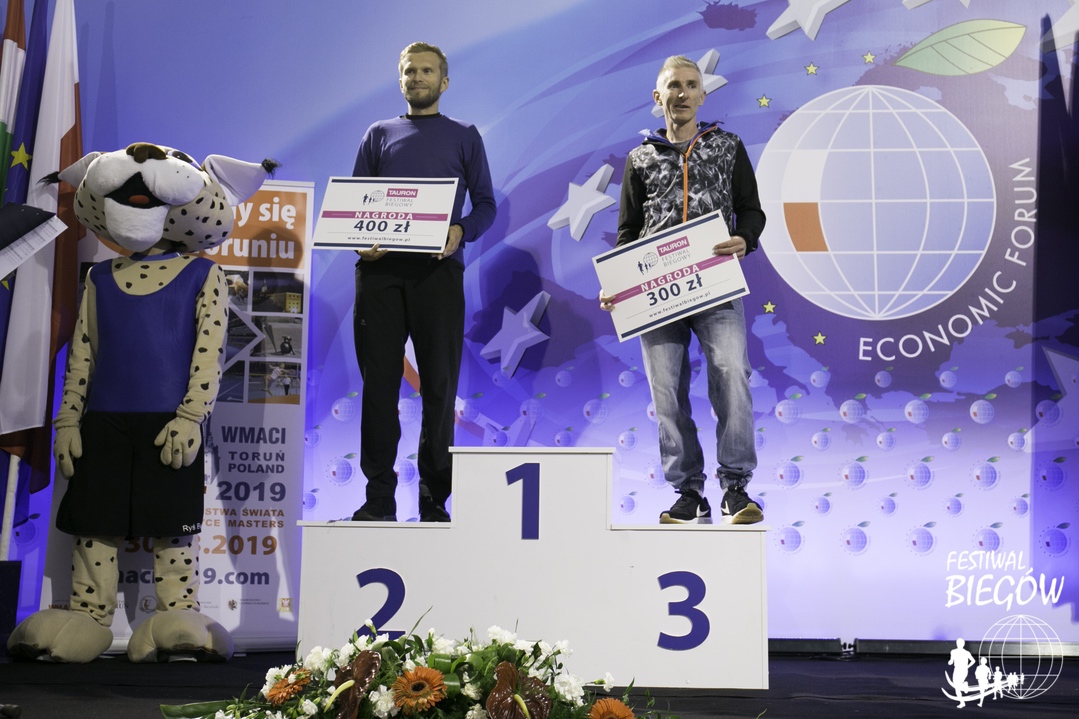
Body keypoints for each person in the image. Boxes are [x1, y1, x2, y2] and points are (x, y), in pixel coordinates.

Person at [602, 55, 765, 524]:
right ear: (659, 97)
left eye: (691, 85)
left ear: (702, 95)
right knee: (665, 391)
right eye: (674, 86)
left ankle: (736, 488)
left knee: (731, 373)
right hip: (657, 294)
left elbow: (751, 210)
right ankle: (689, 492)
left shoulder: (728, 146)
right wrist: (618, 284)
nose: (682, 93)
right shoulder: (640, 157)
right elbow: (628, 233)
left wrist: (745, 238)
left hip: (715, 284)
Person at [350, 42, 497, 522]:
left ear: (444, 82)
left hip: (438, 274)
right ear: (400, 81)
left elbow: (485, 205)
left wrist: (461, 230)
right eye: (410, 71)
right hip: (380, 275)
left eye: (427, 71)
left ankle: (434, 498)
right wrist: (359, 242)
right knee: (379, 388)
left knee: (438, 386)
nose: (418, 77)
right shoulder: (378, 135)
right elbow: (355, 208)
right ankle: (379, 497)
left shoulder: (464, 136)